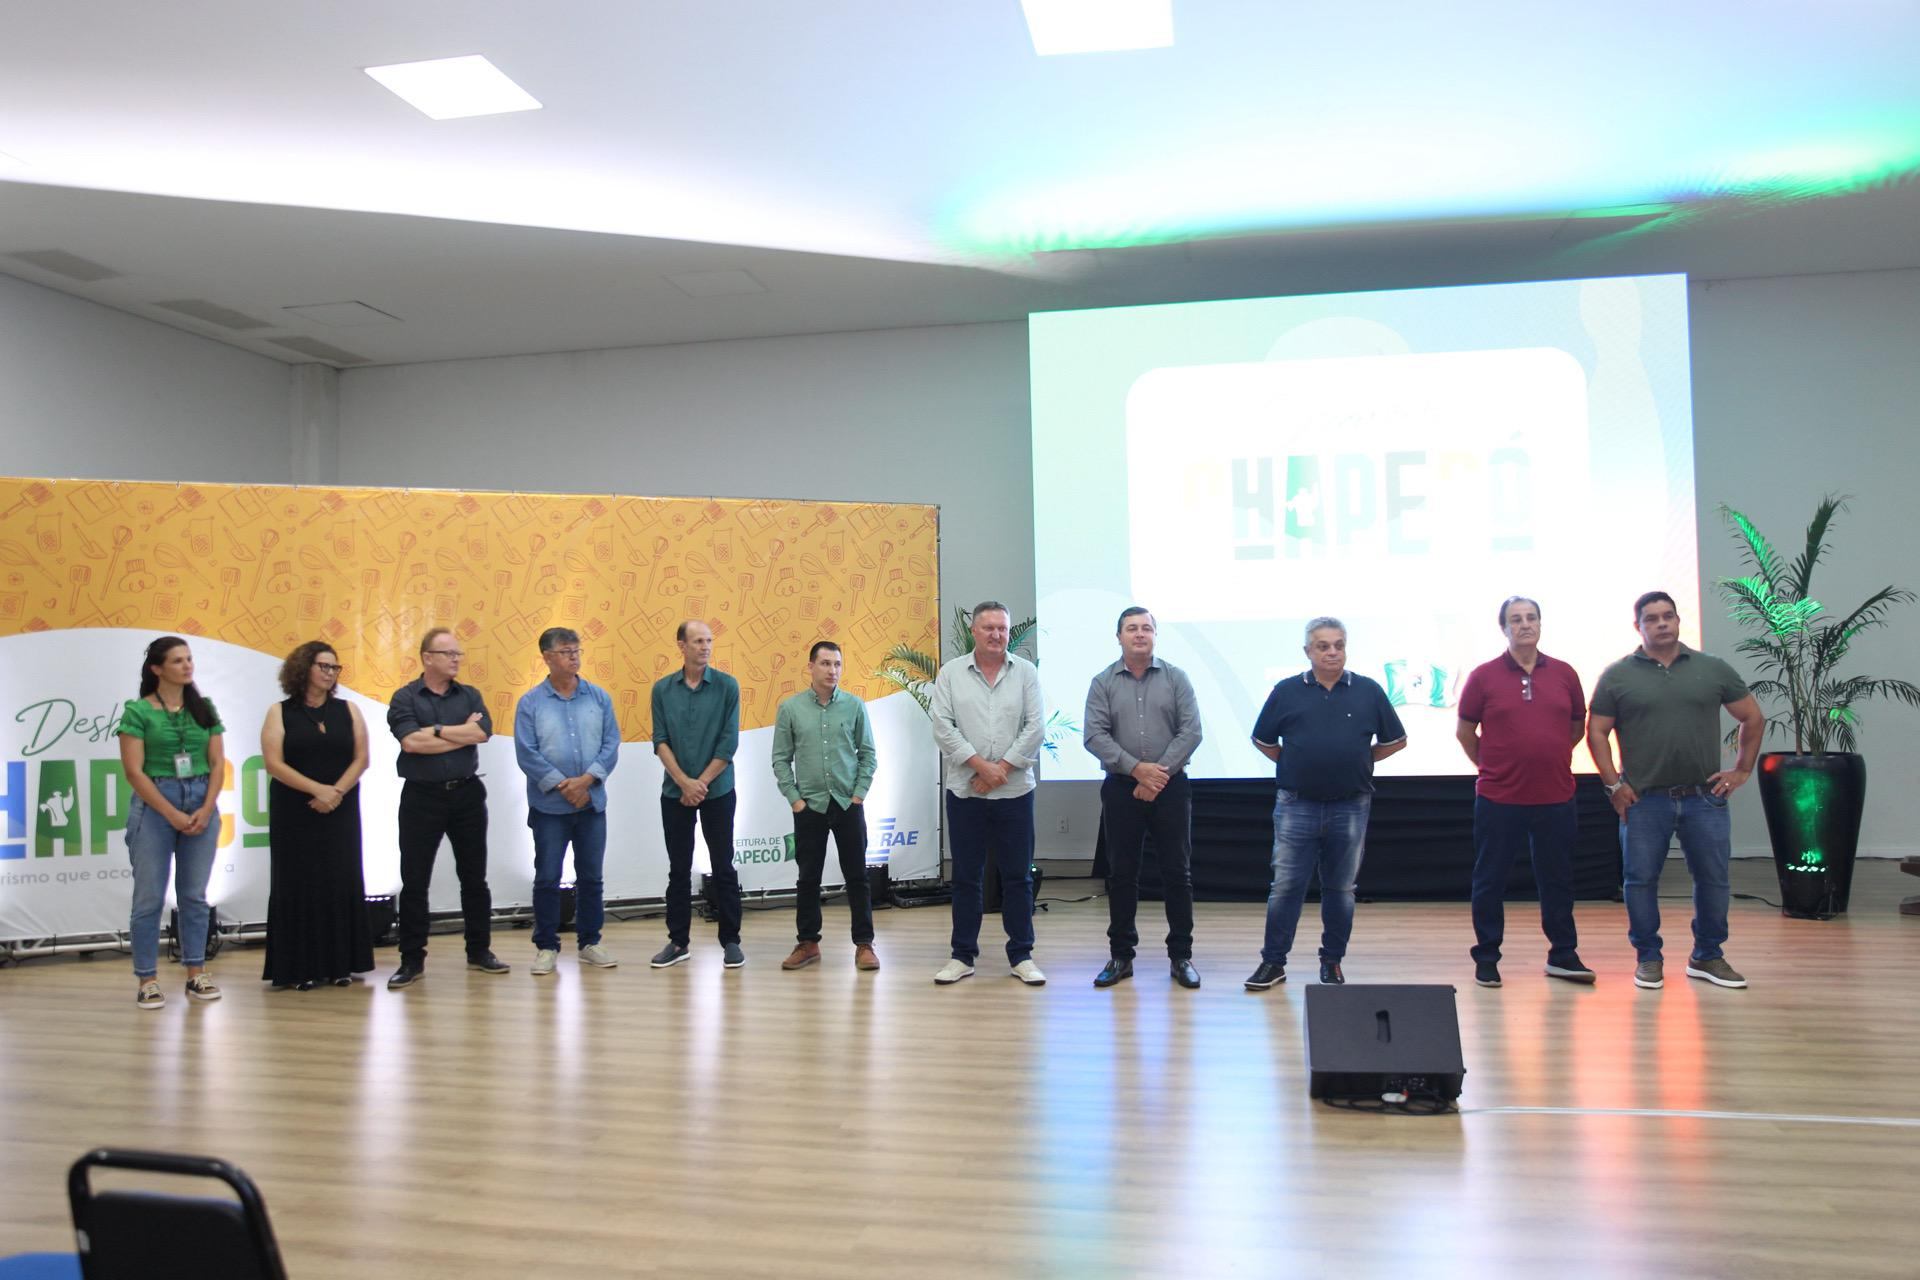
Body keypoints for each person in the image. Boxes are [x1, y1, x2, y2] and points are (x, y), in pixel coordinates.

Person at [1587, 591, 1766, 990]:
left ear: (1678, 620)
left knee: (1714, 880)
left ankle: (1708, 956)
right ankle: (1648, 958)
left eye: (1668, 615)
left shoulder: (1712, 669)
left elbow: (1752, 717)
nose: (1662, 623)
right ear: (1638, 627)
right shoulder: (1617, 676)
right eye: (1652, 618)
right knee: (1639, 881)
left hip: (1704, 798)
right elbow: (1596, 731)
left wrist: (1741, 770)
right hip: (1643, 799)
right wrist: (1614, 784)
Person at [1245, 617, 1407, 990]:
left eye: (1338, 645)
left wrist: (1361, 759)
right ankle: (1273, 963)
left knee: (1340, 889)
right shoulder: (1286, 691)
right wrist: (1294, 762)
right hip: (1296, 804)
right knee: (1286, 887)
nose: (1332, 652)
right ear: (1308, 651)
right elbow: (1263, 739)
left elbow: (1396, 740)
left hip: (1350, 805)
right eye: (1323, 646)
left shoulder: (1368, 690)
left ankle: (1332, 961)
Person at [1455, 597, 1592, 988]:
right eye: (1516, 619)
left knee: (1557, 879)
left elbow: (1576, 726)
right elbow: (1465, 732)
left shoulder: (1565, 673)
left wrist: (1548, 754)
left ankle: (1563, 955)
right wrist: (1492, 765)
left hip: (1556, 796)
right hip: (1499, 799)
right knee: (1490, 880)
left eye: (1531, 617)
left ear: (1540, 624)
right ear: (1504, 628)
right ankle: (1487, 957)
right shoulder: (1483, 676)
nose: (1525, 624)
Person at [1082, 607, 1203, 989]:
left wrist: (1156, 775)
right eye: (1132, 628)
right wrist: (1137, 770)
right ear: (1118, 636)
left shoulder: (1176, 678)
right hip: (1121, 789)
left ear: (1154, 635)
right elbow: (1094, 735)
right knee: (1121, 875)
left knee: (1177, 874)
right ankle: (1121, 957)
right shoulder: (1103, 682)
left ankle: (1181, 957)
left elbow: (1191, 732)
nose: (1139, 634)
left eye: (1146, 628)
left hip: (1171, 787)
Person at [929, 601, 1047, 986]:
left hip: (1015, 793)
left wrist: (1001, 772)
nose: (997, 634)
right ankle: (962, 956)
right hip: (967, 793)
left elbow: (1035, 728)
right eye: (989, 628)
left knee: (1018, 877)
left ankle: (1021, 955)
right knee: (966, 877)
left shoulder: (1025, 673)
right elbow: (943, 726)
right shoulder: (951, 673)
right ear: (974, 632)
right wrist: (982, 768)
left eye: (1002, 628)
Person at [385, 626, 507, 989]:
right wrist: (456, 732)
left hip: (467, 794)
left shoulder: (470, 695)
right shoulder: (405, 697)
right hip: (422, 797)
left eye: (458, 654)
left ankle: (479, 950)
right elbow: (411, 743)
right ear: (427, 658)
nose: (456, 660)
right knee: (415, 880)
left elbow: (481, 733)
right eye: (448, 654)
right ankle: (411, 959)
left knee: (474, 877)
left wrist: (434, 730)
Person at [117, 636, 226, 1009]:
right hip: (155, 805)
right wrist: (171, 813)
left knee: (194, 895)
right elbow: (134, 772)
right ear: (157, 668)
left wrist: (206, 808)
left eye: (189, 659)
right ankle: (147, 979)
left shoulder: (204, 708)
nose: (187, 665)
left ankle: (196, 972)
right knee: (149, 897)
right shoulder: (138, 712)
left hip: (200, 800)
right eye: (178, 660)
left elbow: (217, 763)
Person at [260, 640, 374, 990]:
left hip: (340, 808)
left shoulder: (348, 709)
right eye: (324, 666)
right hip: (295, 810)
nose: (330, 673)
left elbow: (362, 758)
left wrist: (335, 792)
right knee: (299, 883)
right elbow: (274, 763)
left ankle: (340, 964)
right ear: (303, 668)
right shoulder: (280, 712)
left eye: (335, 667)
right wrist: (317, 790)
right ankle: (299, 968)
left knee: (340, 879)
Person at [514, 627, 622, 977]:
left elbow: (611, 744)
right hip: (549, 809)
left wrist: (586, 781)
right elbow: (527, 753)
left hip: (591, 803)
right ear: (547, 657)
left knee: (591, 877)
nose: (574, 656)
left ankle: (590, 942)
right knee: (547, 877)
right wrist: (564, 786)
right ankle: (546, 946)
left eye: (577, 650)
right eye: (565, 651)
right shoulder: (531, 703)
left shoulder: (598, 697)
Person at [772, 640, 880, 971]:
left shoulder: (854, 706)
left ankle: (864, 944)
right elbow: (780, 759)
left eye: (837, 664)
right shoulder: (790, 709)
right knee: (808, 878)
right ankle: (808, 943)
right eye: (825, 663)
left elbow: (868, 754)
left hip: (848, 803)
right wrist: (795, 800)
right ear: (811, 667)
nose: (832, 670)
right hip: (810, 806)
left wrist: (858, 795)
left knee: (858, 876)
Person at [650, 619, 744, 969]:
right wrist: (684, 783)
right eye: (698, 641)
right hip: (675, 793)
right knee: (678, 869)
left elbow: (728, 744)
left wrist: (699, 783)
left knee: (723, 866)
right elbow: (660, 740)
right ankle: (678, 942)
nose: (705, 647)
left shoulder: (727, 686)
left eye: (709, 641)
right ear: (682, 646)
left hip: (718, 790)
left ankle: (731, 941)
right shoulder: (662, 690)